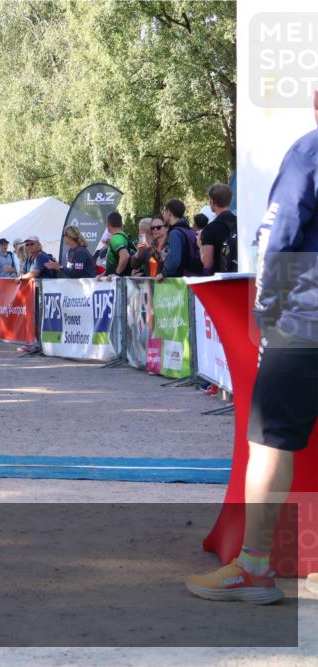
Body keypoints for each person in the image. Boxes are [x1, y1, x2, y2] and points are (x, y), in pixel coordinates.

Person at [186, 94, 318, 604]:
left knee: (268, 444)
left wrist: (264, 314)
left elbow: (279, 236)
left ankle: (255, 568)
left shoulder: (308, 152)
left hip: (304, 321)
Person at [160, 199, 204, 279]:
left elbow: (174, 260)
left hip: (177, 280)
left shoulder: (175, 233)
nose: (163, 215)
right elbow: (164, 255)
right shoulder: (190, 231)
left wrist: (163, 273)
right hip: (190, 277)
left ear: (169, 213)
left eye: (164, 212)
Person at [201, 183, 236, 275]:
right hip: (241, 277)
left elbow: (207, 264)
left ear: (212, 202)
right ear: (229, 201)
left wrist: (200, 246)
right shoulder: (239, 223)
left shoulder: (211, 228)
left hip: (220, 279)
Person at [103, 212, 133, 278]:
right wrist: (103, 274)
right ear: (121, 224)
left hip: (119, 281)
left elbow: (125, 256)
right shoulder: (123, 236)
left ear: (107, 225)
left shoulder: (116, 238)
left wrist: (116, 274)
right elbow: (116, 261)